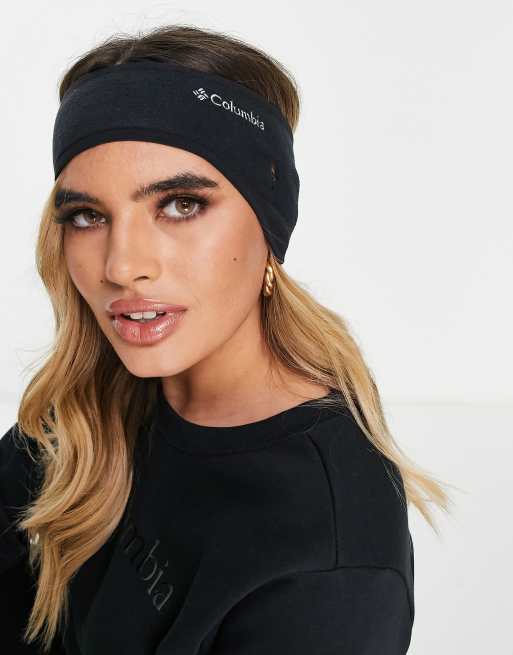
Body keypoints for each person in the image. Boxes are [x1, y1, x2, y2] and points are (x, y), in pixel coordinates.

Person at [0, 24, 451, 655]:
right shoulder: (93, 400)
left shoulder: (328, 568)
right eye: (87, 216)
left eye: (181, 205)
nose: (122, 266)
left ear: (270, 225)